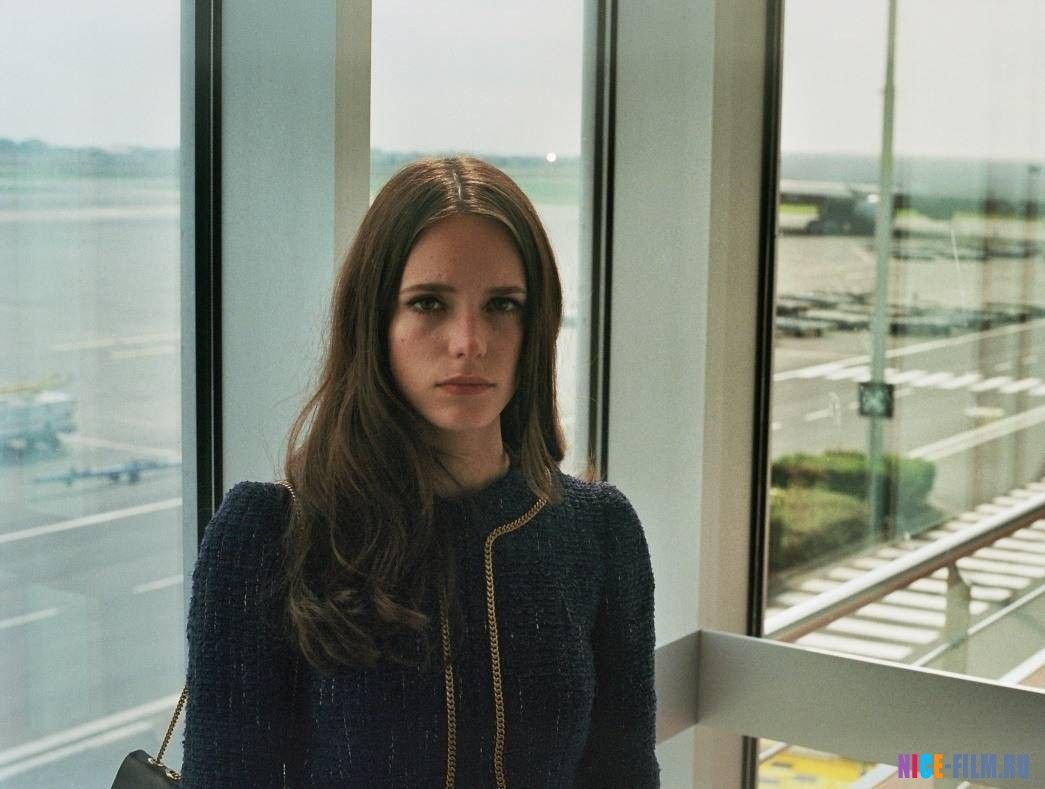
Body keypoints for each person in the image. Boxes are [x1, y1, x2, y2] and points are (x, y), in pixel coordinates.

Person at [181, 156, 658, 787]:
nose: (469, 341)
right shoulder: (269, 536)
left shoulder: (599, 532)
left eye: (503, 305)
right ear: (375, 321)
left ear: (537, 325)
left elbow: (625, 773)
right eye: (429, 303)